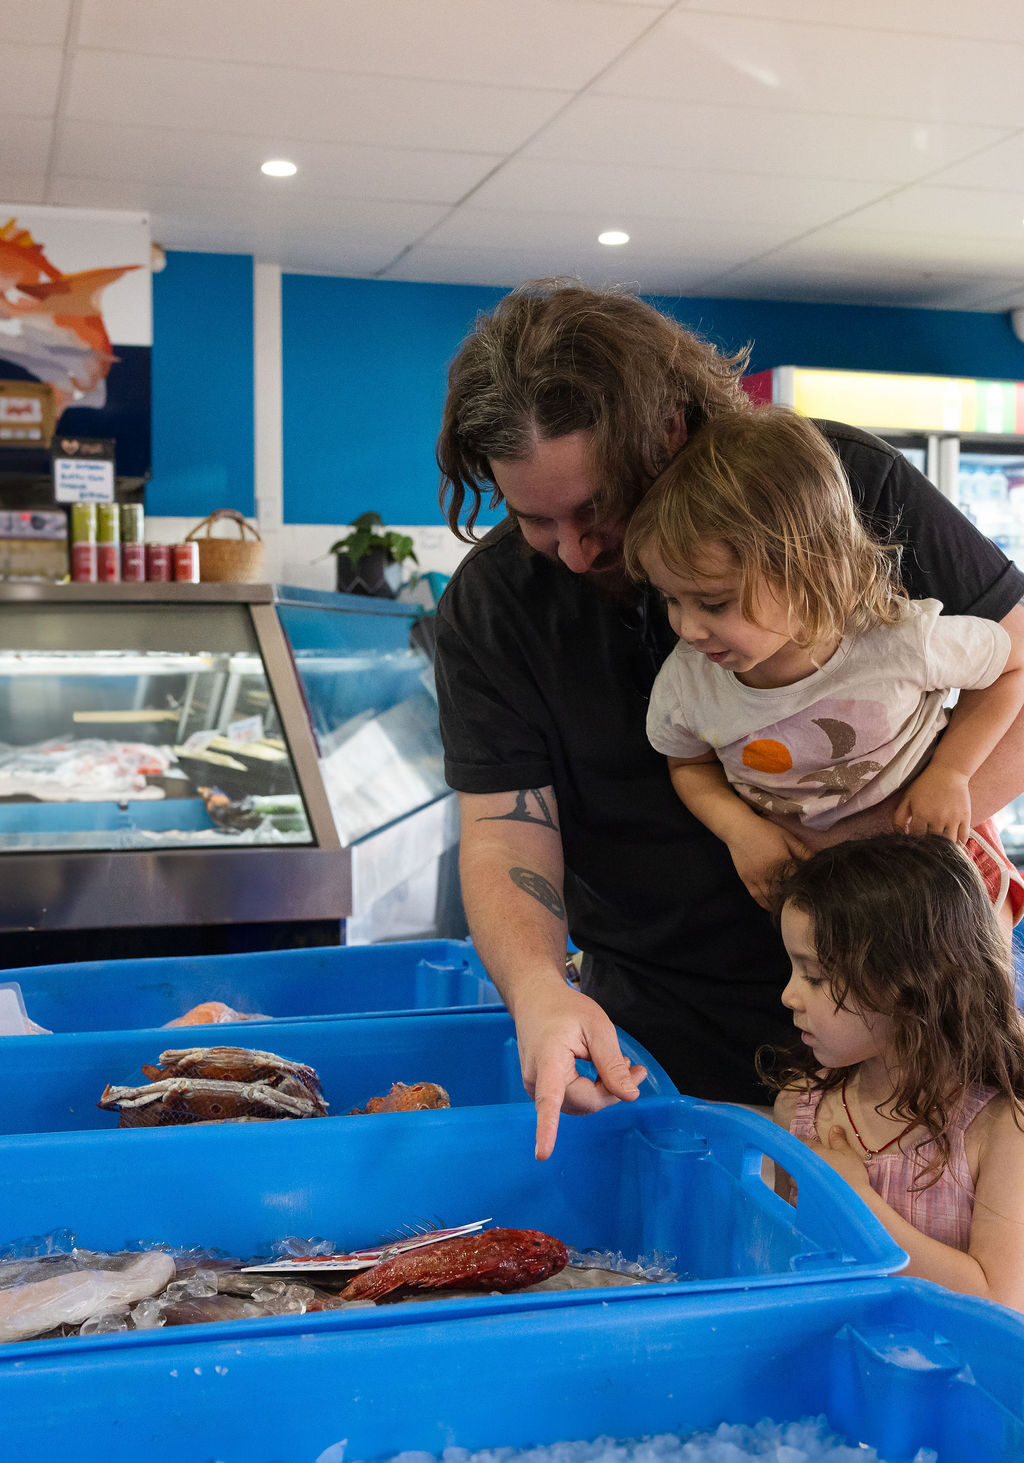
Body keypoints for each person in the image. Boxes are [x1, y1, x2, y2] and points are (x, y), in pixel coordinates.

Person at [434, 279, 1024, 1159]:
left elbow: (1013, 666)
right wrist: (537, 990)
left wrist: (878, 832)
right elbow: (506, 833)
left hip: (904, 997)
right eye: (534, 521)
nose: (577, 551)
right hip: (663, 1017)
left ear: (669, 430)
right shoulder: (495, 607)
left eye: (597, 510)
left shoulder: (833, 487)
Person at [624, 405, 1024, 925]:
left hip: (938, 857)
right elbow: (689, 765)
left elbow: (1011, 671)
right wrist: (742, 832)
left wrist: (952, 774)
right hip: (823, 888)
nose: (687, 628)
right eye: (670, 600)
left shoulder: (899, 639)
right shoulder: (687, 683)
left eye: (714, 603)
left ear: (807, 568)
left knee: (955, 1000)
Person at [767, 833, 1024, 1311]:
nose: (789, 996)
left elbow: (1000, 1301)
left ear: (910, 985)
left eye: (815, 977)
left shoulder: (1001, 1130)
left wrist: (857, 1204)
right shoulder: (799, 1110)